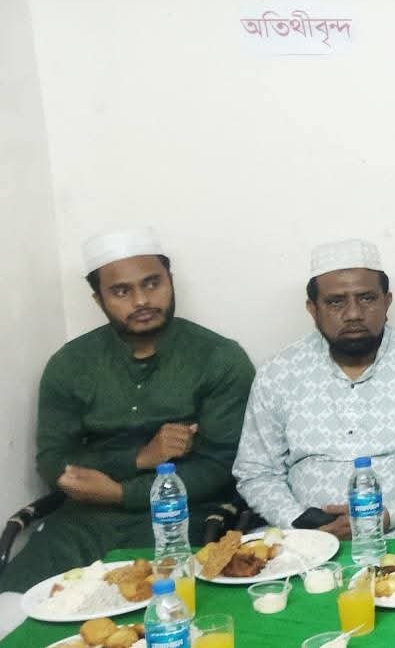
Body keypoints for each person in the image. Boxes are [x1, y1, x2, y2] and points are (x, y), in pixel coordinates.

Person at [1, 228, 253, 592]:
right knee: (15, 604)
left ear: (170, 281)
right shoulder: (69, 364)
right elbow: (55, 461)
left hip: (181, 518)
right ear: (98, 298)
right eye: (121, 291)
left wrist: (122, 493)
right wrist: (138, 458)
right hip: (82, 519)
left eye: (152, 283)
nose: (141, 300)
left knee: (156, 604)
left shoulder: (219, 358)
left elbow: (222, 466)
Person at [233, 239, 395, 540]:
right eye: (336, 302)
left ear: (387, 302)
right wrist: (303, 523)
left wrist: (391, 514)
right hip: (303, 539)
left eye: (367, 298)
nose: (353, 314)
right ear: (312, 309)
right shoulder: (278, 373)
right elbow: (256, 472)